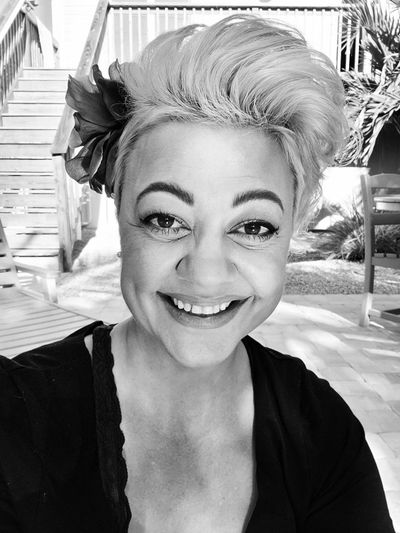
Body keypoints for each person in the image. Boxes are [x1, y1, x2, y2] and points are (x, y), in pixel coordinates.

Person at [0, 14, 395, 533]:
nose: (206, 274)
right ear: (120, 216)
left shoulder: (323, 433)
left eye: (253, 226)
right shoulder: (13, 418)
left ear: (290, 232)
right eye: (166, 220)